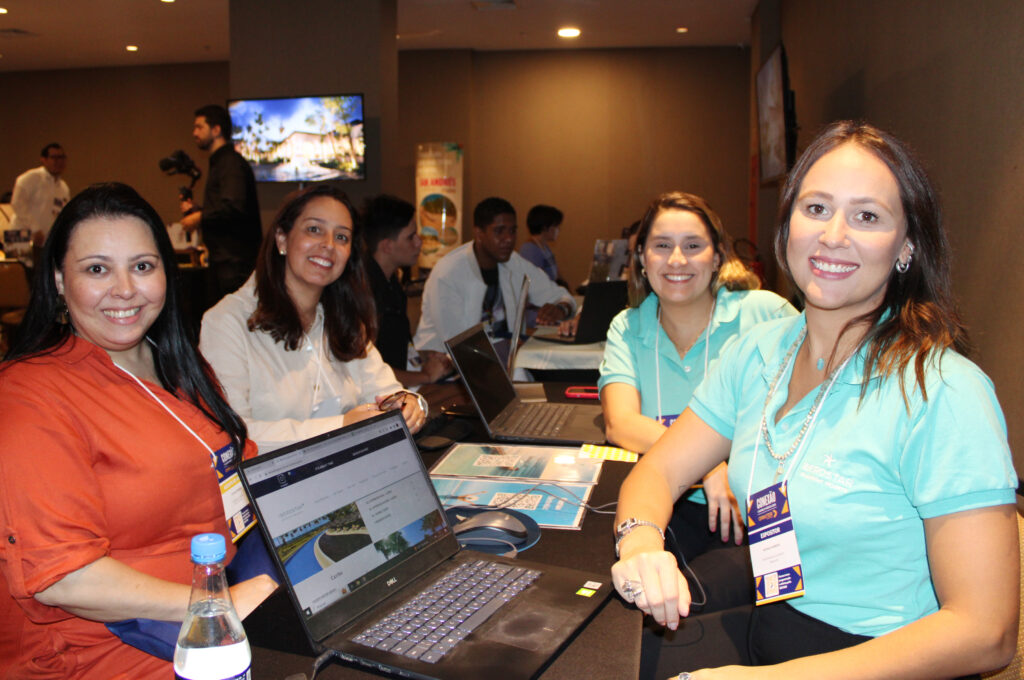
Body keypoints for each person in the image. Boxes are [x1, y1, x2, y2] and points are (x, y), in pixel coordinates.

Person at [611, 122, 1018, 678]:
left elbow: (985, 632)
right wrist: (640, 544)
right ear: (786, 230)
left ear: (907, 247)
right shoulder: (759, 351)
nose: (833, 237)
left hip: (883, 658)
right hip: (774, 617)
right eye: (817, 208)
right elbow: (656, 472)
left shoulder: (944, 390)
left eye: (867, 216)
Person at [0, 183, 276, 679]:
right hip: (106, 649)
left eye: (143, 266)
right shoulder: (30, 395)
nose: (124, 289)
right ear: (60, 281)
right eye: (97, 269)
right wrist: (219, 603)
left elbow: (239, 471)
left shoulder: (178, 364)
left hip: (220, 620)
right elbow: (63, 578)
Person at [599, 192, 795, 570]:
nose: (676, 260)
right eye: (661, 246)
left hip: (760, 509)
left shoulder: (765, 313)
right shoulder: (628, 326)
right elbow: (619, 423)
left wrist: (722, 465)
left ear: (717, 257)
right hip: (672, 503)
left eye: (693, 245)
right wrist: (705, 462)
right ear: (641, 258)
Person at [200, 185, 426, 454]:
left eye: (341, 237)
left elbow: (388, 390)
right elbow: (231, 434)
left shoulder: (343, 317)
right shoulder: (226, 321)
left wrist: (409, 404)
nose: (329, 245)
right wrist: (342, 426)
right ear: (282, 239)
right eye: (314, 230)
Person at [413, 196, 576, 354]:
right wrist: (509, 347)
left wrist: (560, 308)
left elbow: (561, 296)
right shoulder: (448, 273)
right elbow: (459, 345)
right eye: (499, 232)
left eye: (512, 231)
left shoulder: (513, 262)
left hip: (504, 358)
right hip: (447, 368)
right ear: (479, 233)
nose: (509, 239)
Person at [362, 194, 452, 386]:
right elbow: (366, 372)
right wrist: (426, 376)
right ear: (387, 245)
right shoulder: (364, 293)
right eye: (411, 237)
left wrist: (424, 357)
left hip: (402, 384)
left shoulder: (392, 282)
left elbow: (393, 350)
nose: (419, 242)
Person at [180, 104, 262, 301]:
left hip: (234, 264)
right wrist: (197, 211)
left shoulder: (230, 163)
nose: (194, 133)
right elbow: (224, 208)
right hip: (225, 262)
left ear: (216, 130)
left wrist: (199, 217)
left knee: (235, 322)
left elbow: (234, 207)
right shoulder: (221, 163)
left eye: (199, 127)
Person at [11, 142, 70, 246]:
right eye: (54, 158)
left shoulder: (63, 188)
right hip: (23, 237)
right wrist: (35, 229)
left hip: (45, 240)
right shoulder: (31, 178)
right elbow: (17, 204)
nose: (59, 162)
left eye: (61, 157)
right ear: (43, 159)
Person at [519, 204, 566, 287]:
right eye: (556, 226)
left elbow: (556, 273)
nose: (559, 230)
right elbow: (534, 283)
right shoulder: (530, 250)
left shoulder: (544, 246)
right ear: (545, 227)